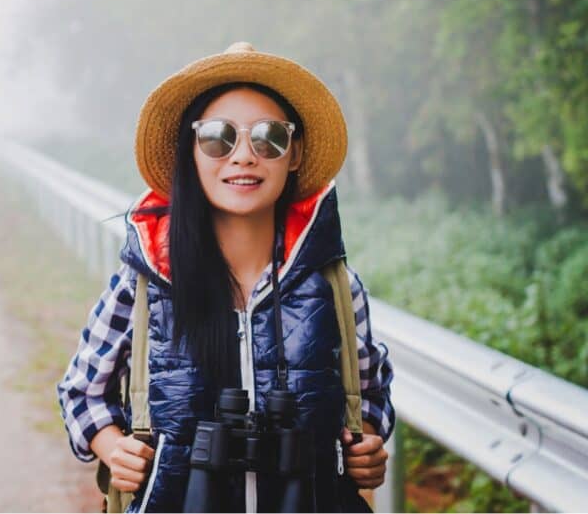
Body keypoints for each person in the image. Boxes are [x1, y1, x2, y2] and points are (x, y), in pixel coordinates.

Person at [57, 42, 395, 512]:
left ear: (293, 154)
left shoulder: (334, 286)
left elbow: (370, 395)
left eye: (269, 137)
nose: (243, 156)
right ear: (190, 154)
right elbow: (80, 390)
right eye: (218, 137)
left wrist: (367, 446)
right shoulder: (146, 283)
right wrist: (112, 447)